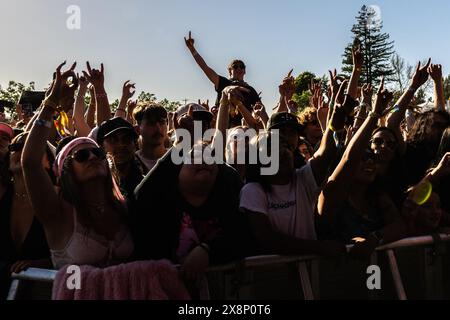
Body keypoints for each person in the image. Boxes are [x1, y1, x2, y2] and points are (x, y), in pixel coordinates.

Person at [21, 62, 133, 269]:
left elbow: (106, 125)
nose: (91, 157)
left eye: (97, 153)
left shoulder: (123, 206)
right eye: (81, 155)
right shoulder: (57, 213)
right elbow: (30, 163)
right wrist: (51, 102)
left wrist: (100, 90)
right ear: (66, 171)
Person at [131, 142, 251, 296]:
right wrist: (181, 144)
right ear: (178, 169)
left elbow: (245, 236)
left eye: (210, 157)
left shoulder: (227, 195)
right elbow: (140, 196)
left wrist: (208, 250)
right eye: (194, 157)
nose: (205, 161)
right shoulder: (159, 201)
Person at [0, 132, 53, 299]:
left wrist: (43, 264)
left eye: (32, 147)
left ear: (49, 162)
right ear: (8, 160)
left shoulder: (60, 199)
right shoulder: (1, 196)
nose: (24, 152)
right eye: (17, 147)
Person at [184, 32, 261, 126]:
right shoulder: (223, 83)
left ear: (245, 71)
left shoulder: (250, 90)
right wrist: (192, 49)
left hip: (244, 131)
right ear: (230, 71)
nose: (239, 69)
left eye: (242, 67)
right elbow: (205, 68)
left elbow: (259, 113)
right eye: (235, 66)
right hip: (222, 129)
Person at [97, 116, 144, 199]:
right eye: (113, 140)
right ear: (101, 147)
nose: (121, 145)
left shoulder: (147, 183)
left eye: (127, 139)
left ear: (135, 144)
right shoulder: (95, 187)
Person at [133, 103, 169, 172]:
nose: (158, 128)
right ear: (137, 130)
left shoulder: (177, 159)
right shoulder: (131, 163)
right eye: (151, 123)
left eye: (162, 122)